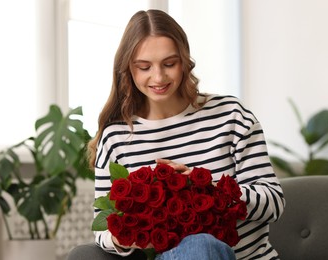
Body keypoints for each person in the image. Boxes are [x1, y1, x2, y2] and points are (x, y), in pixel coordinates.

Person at [87, 9, 285, 260]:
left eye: (169, 64)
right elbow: (101, 228)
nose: (158, 77)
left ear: (185, 61)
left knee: (200, 245)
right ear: (128, 69)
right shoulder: (116, 138)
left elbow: (274, 202)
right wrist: (122, 237)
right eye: (144, 67)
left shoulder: (231, 116)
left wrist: (209, 188)